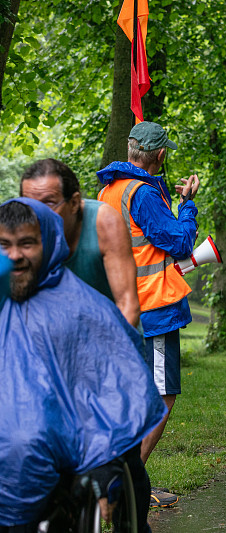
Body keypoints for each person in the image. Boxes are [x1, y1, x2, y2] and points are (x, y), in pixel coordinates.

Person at [0, 198, 166, 531]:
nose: (14, 256)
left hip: (42, 460)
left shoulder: (85, 311)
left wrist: (103, 467)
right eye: (3, 245)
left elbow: (111, 395)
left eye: (27, 244)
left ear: (48, 243)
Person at [96, 121, 200, 507]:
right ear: (160, 155)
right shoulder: (142, 193)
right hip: (151, 308)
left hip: (122, 305)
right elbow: (177, 241)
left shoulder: (111, 188)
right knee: (162, 397)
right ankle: (124, 486)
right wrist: (188, 206)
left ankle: (125, 480)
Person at [20, 158, 140, 326]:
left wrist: (112, 349)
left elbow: (128, 306)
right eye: (30, 205)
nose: (38, 215)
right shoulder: (20, 230)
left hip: (110, 331)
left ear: (74, 203)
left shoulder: (104, 222)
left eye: (49, 203)